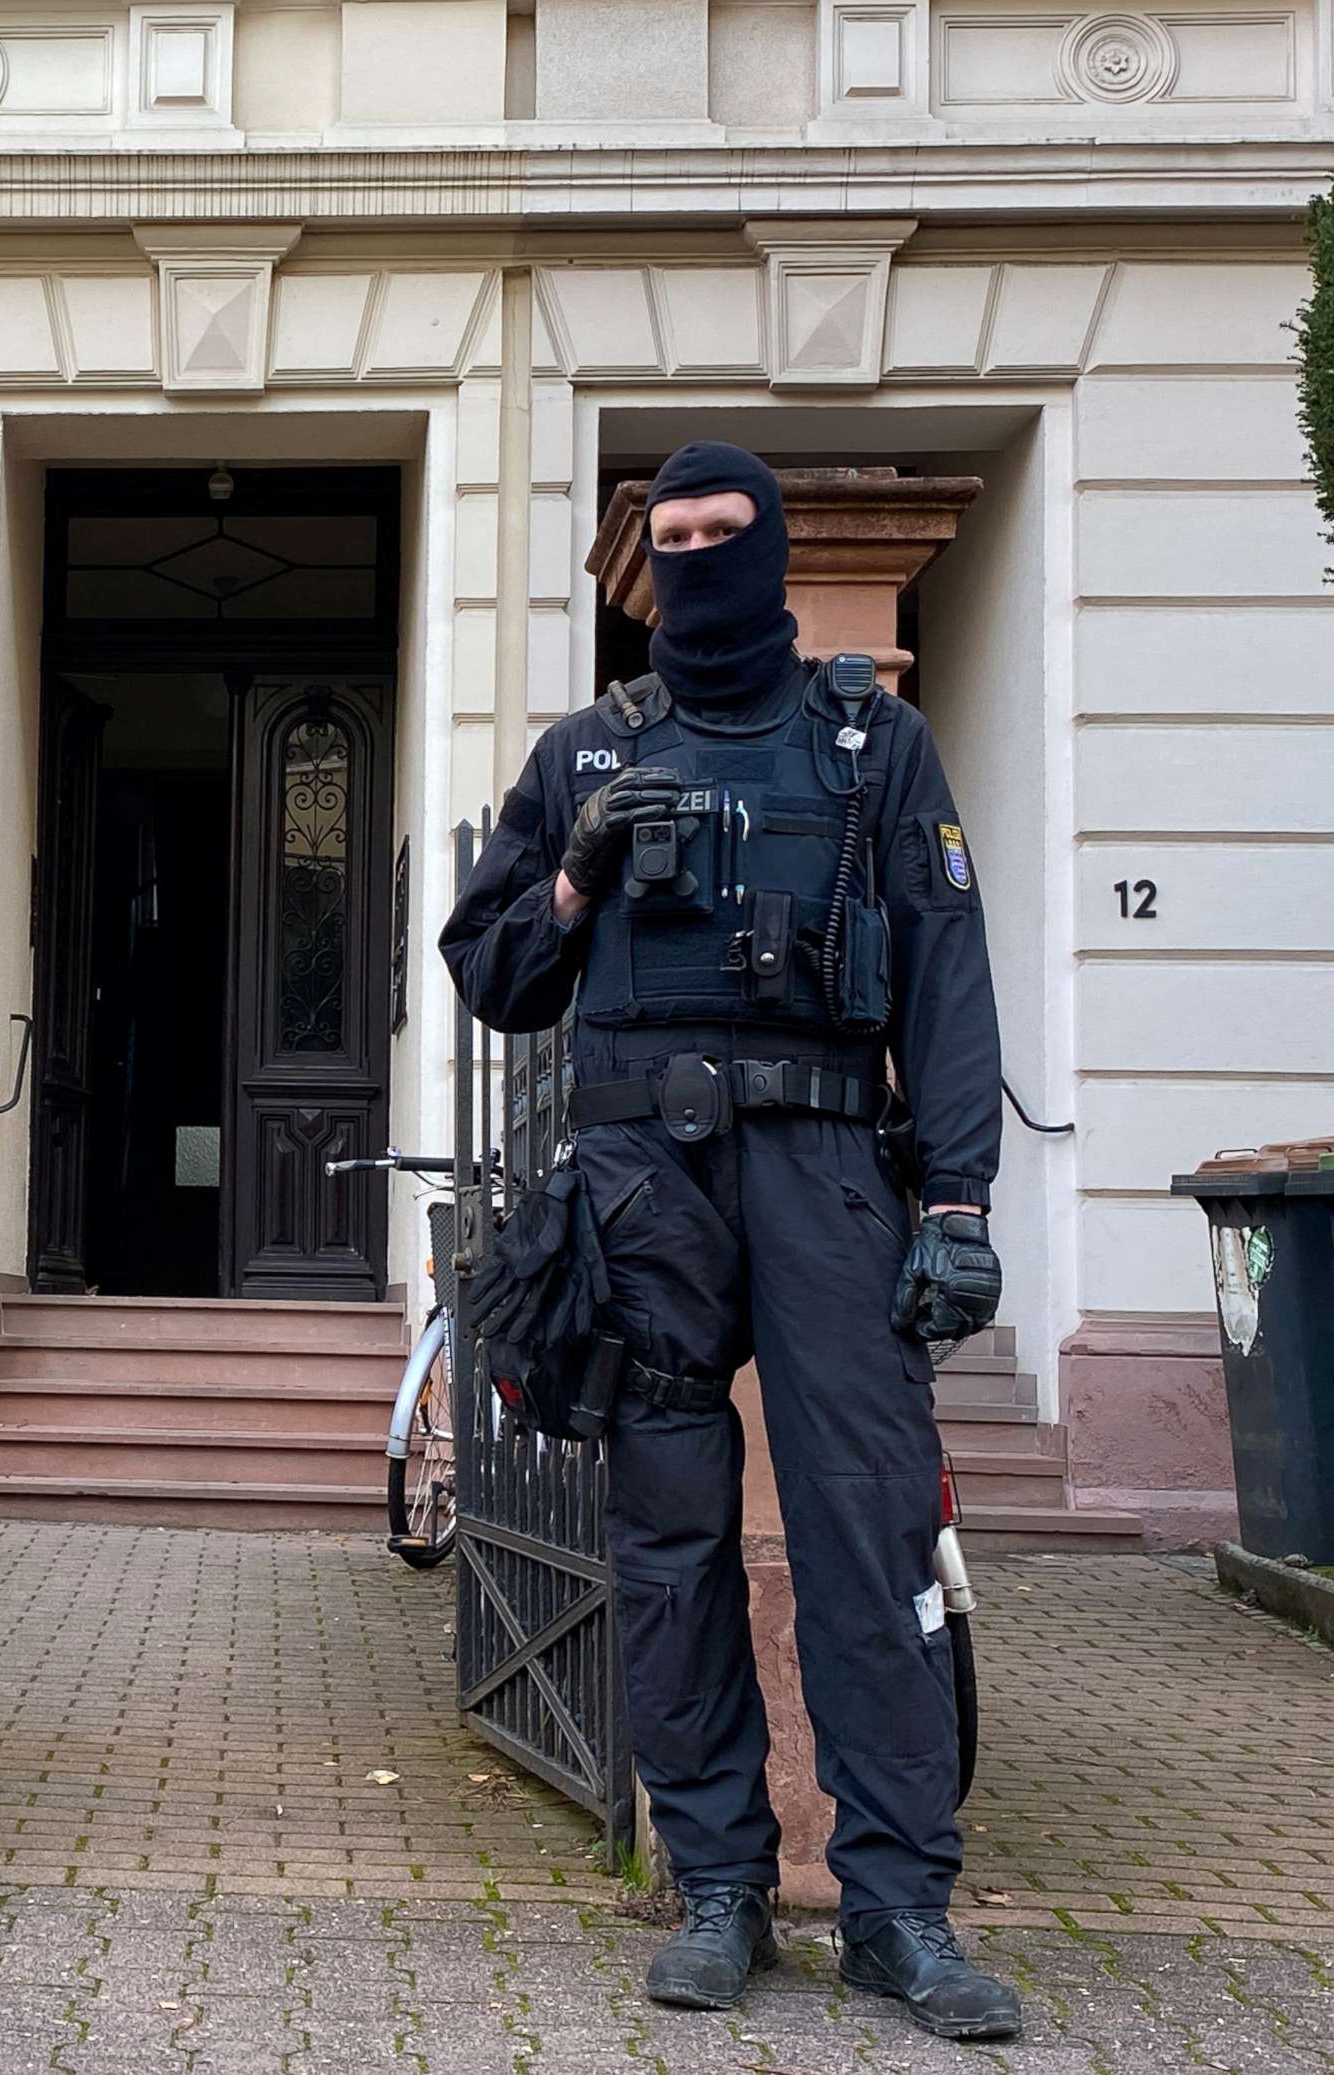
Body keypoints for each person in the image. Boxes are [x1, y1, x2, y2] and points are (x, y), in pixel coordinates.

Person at [439, 443, 1019, 2042]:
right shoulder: (585, 751)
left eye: (722, 531)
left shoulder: (872, 741)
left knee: (868, 1528)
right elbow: (490, 972)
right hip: (643, 1184)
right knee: (670, 1541)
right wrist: (572, 874)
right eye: (670, 537)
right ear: (642, 562)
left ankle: (899, 1909)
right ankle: (718, 1886)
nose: (696, 558)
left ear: (768, 545)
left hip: (833, 1168)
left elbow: (952, 978)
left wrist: (958, 1201)